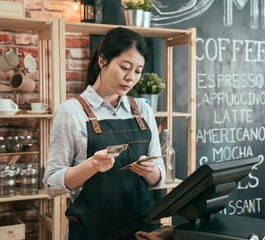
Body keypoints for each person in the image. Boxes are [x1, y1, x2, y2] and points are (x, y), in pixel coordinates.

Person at [43, 27, 166, 240]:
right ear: (103, 61)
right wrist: (91, 165)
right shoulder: (71, 111)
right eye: (125, 67)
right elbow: (51, 184)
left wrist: (149, 169)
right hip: (93, 232)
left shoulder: (143, 109)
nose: (131, 78)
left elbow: (159, 179)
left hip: (144, 230)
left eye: (138, 71)